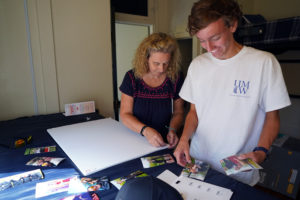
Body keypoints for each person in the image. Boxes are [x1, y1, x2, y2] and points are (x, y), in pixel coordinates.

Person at [173, 0, 291, 186]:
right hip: (197, 161)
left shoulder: (263, 63)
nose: (209, 48)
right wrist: (183, 140)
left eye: (215, 38)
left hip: (238, 167)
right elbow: (194, 112)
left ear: (233, 25)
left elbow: (272, 116)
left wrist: (261, 152)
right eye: (202, 40)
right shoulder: (198, 64)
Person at [119, 32, 185, 148]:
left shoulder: (176, 78)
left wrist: (173, 129)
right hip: (136, 138)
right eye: (156, 63)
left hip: (163, 140)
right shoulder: (132, 77)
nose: (161, 69)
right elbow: (125, 115)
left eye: (166, 63)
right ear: (145, 59)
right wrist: (145, 130)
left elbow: (178, 112)